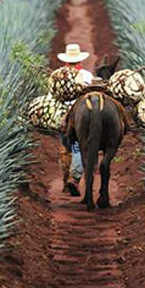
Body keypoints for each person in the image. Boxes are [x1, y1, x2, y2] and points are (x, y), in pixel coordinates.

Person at [57, 43, 93, 194]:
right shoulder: (87, 75)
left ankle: (68, 180)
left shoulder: (58, 75)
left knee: (67, 148)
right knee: (80, 147)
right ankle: (75, 178)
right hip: (85, 113)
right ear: (80, 60)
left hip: (64, 114)